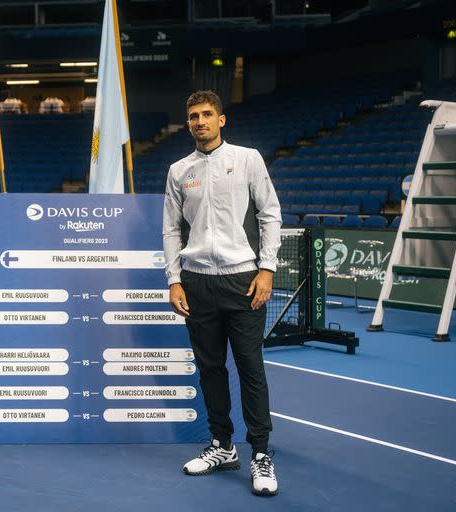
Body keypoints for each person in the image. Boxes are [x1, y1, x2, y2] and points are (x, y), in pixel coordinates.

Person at [162, 90, 281, 496]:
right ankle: (222, 445)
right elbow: (171, 230)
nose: (200, 121)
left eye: (207, 114)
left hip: (243, 280)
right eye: (193, 115)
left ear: (221, 120)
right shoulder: (179, 170)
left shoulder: (248, 159)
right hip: (197, 283)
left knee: (250, 367)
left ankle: (261, 454)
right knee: (210, 368)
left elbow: (270, 213)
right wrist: (174, 279)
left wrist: (267, 269)